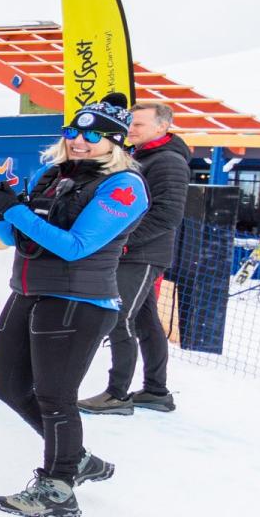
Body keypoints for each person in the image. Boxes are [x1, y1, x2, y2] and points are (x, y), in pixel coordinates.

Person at [0, 93, 150, 517]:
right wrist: (0, 206)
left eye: (93, 135)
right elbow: (17, 237)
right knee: (8, 385)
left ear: (116, 142)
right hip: (29, 290)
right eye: (73, 132)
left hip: (79, 300)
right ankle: (76, 458)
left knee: (55, 395)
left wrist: (15, 210)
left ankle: (59, 486)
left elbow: (76, 247)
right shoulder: (55, 175)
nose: (79, 141)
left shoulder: (125, 186)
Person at [78, 103, 190, 415]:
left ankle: (117, 394)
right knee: (145, 321)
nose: (131, 129)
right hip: (136, 251)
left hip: (141, 253)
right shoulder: (141, 155)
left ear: (161, 128)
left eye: (139, 124)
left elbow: (167, 215)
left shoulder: (167, 161)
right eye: (130, 124)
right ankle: (156, 390)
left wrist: (123, 242)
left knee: (119, 316)